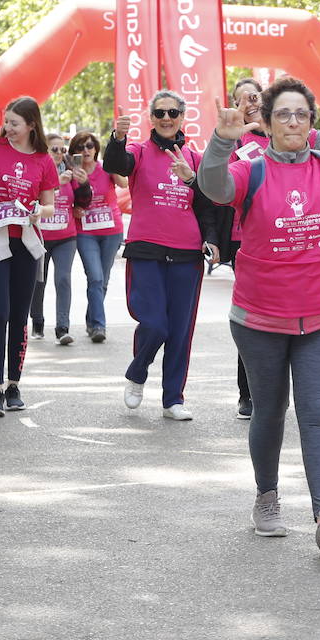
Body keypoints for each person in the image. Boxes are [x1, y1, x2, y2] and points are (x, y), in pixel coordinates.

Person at [198, 75, 320, 557]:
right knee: (269, 409)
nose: (293, 121)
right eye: (282, 114)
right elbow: (214, 187)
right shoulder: (252, 168)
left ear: (312, 122)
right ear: (264, 123)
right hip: (259, 319)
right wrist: (221, 142)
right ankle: (266, 497)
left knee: (318, 415)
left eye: (301, 114)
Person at [219, 77, 320, 420]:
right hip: (250, 239)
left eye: (256, 96)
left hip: (299, 244)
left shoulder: (300, 133)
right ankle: (250, 393)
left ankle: (271, 394)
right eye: (245, 99)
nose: (251, 103)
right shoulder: (235, 138)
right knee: (258, 318)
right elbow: (216, 186)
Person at [104, 91, 221, 421]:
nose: (166, 118)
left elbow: (207, 205)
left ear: (183, 117)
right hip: (147, 249)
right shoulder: (138, 151)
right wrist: (117, 138)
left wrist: (211, 238)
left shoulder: (195, 158)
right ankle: (137, 373)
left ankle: (173, 399)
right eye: (160, 113)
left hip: (187, 254)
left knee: (181, 331)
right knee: (155, 324)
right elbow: (116, 164)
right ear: (151, 119)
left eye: (173, 112)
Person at [0, 96, 60, 418]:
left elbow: (49, 204)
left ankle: (13, 385)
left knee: (20, 316)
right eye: (6, 121)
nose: (8, 128)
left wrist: (38, 210)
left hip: (26, 243)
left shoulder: (43, 159)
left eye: (15, 123)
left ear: (31, 125)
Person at [30, 132, 91, 344]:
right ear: (44, 150)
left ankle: (62, 328)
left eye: (62, 149)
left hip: (66, 236)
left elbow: (84, 202)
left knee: (63, 279)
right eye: (54, 149)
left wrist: (84, 185)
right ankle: (37, 321)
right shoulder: (37, 168)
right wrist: (56, 183)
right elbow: (31, 198)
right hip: (40, 236)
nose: (59, 153)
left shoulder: (70, 170)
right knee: (39, 281)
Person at [69, 130, 125, 344]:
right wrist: (74, 209)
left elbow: (124, 184)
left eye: (90, 146)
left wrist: (114, 164)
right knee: (95, 277)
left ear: (96, 149)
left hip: (112, 230)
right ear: (75, 151)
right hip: (86, 232)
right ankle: (99, 325)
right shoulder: (72, 172)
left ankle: (92, 320)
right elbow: (62, 197)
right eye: (81, 147)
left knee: (103, 280)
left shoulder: (106, 168)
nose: (86, 150)